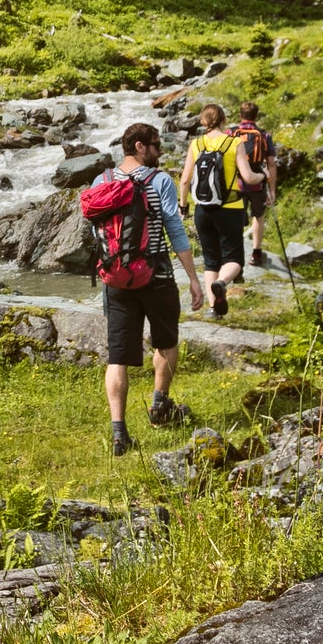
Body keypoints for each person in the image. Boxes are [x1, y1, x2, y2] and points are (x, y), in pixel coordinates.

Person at [96, 121, 205, 456]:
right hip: (156, 275)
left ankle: (119, 433)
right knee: (166, 340)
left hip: (115, 278)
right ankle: (159, 405)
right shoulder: (159, 181)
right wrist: (194, 277)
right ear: (140, 146)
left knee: (118, 357)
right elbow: (174, 228)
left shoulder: (102, 180)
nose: (160, 150)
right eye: (156, 145)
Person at [180, 103, 250, 319]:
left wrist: (183, 206)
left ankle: (213, 309)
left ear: (203, 121)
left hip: (203, 210)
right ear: (223, 119)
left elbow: (184, 180)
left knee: (211, 259)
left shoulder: (197, 143)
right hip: (229, 208)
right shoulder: (234, 142)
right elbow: (247, 177)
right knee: (234, 258)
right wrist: (263, 176)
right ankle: (222, 283)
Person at [228, 101, 279, 272]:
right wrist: (272, 190)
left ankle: (235, 258)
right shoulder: (264, 135)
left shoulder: (231, 133)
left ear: (240, 115)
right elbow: (271, 164)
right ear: (256, 116)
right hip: (257, 183)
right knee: (258, 216)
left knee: (235, 220)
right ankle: (256, 254)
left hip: (236, 184)